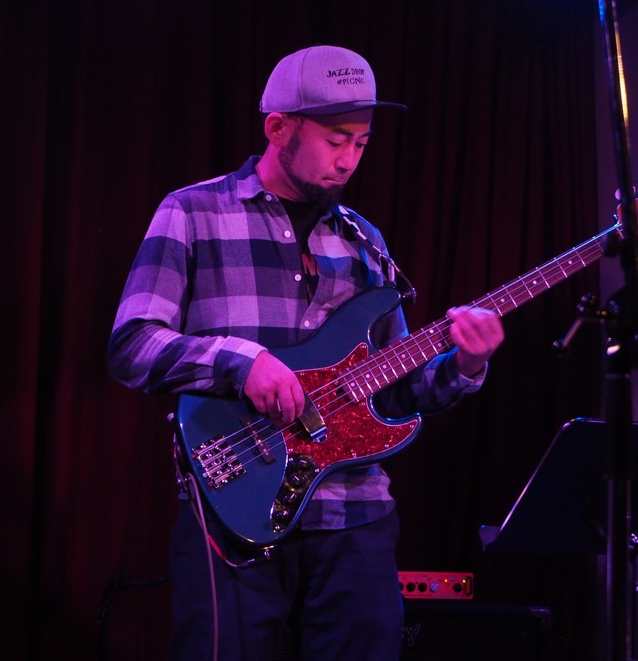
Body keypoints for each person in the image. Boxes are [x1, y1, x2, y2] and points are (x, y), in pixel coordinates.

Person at [107, 45, 505, 661]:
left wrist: (465, 364)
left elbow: (397, 389)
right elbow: (133, 345)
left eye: (362, 143)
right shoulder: (192, 212)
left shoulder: (365, 240)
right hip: (236, 504)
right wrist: (240, 363)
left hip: (356, 515)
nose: (349, 160)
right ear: (278, 128)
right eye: (336, 140)